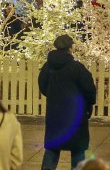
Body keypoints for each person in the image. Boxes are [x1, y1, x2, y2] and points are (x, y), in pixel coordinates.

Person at [38, 35, 97, 170]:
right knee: (77, 149)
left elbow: (43, 85)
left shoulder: (48, 67)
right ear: (70, 48)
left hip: (55, 112)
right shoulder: (77, 67)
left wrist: (54, 96)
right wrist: (89, 104)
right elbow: (89, 88)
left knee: (53, 147)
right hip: (75, 113)